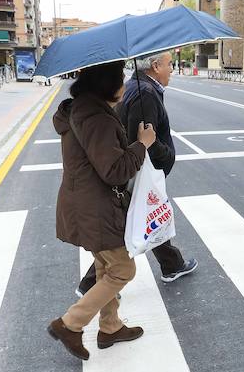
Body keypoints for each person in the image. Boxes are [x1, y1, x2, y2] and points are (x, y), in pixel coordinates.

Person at [48, 61, 156, 360]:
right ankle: (70, 324)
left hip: (83, 202)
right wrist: (141, 145)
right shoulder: (97, 118)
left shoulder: (80, 109)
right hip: (96, 207)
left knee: (104, 267)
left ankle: (110, 326)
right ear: (105, 84)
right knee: (122, 269)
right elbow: (115, 171)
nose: (124, 83)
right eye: (120, 77)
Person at [76, 51, 197, 297]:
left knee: (148, 215)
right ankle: (90, 284)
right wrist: (166, 156)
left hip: (137, 168)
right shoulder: (145, 93)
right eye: (169, 64)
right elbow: (143, 137)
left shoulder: (138, 87)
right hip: (141, 169)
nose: (172, 69)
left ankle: (171, 264)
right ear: (155, 66)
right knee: (133, 220)